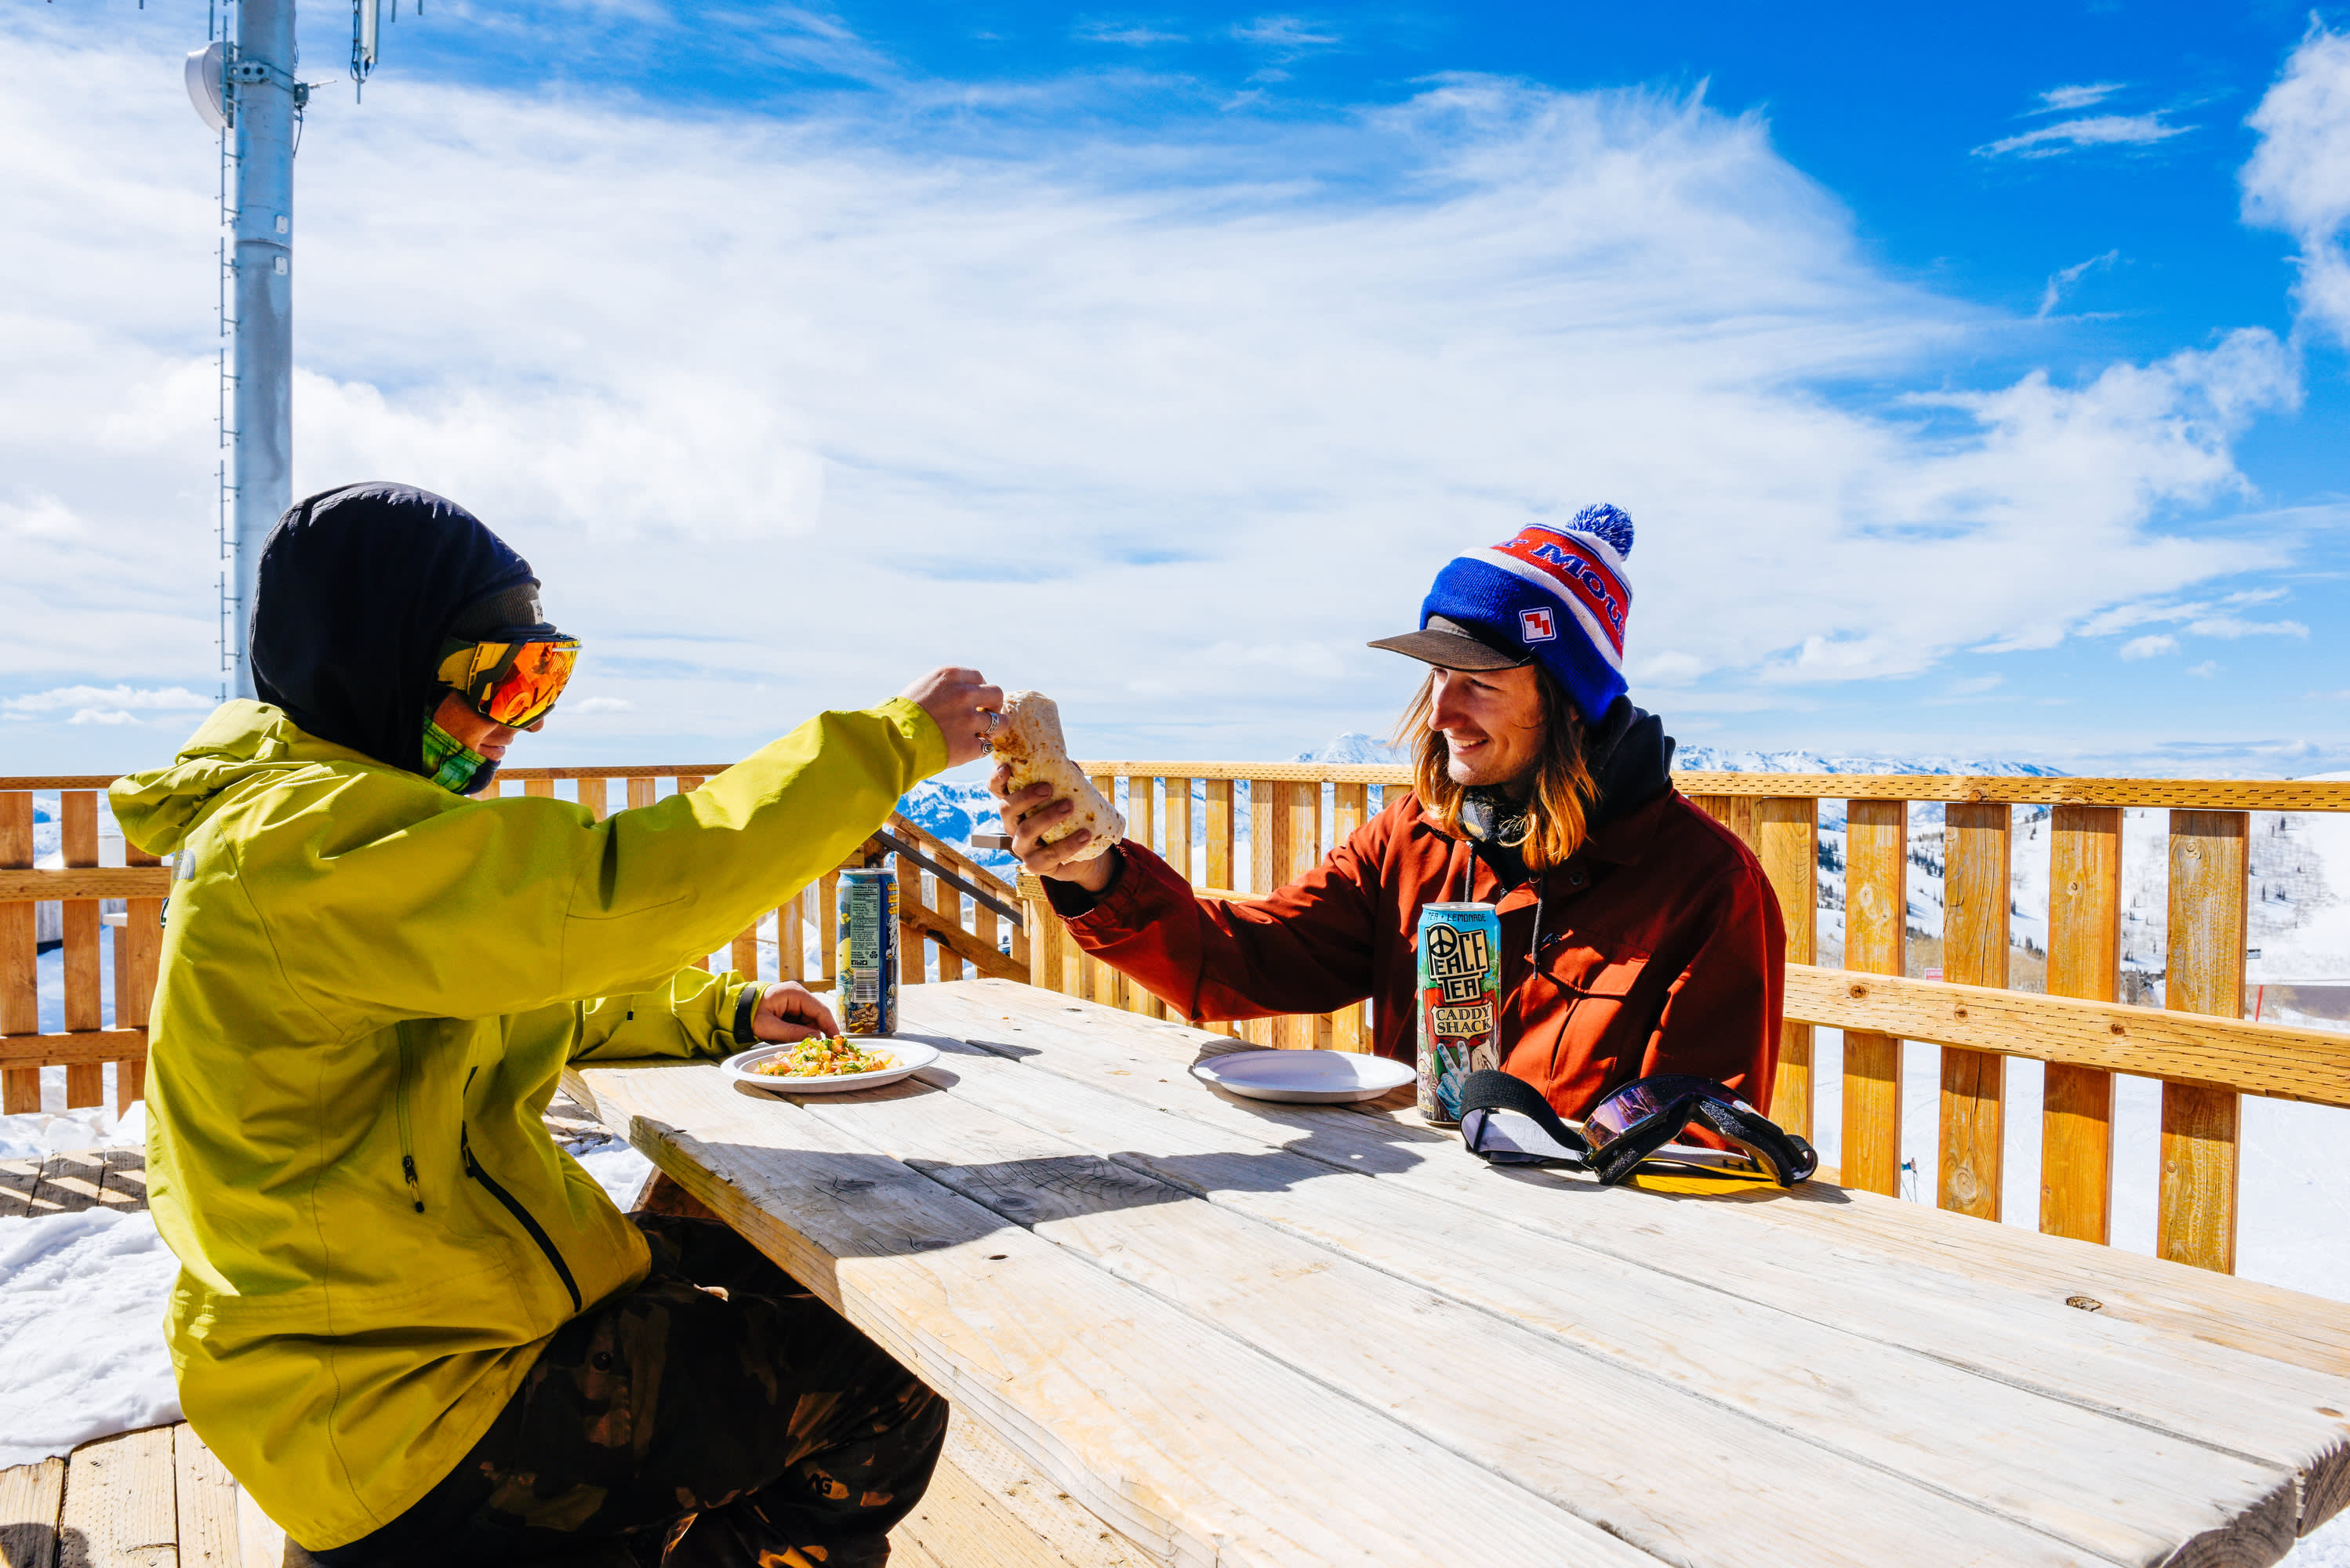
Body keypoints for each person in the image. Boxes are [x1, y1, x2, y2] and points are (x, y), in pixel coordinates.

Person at [110, 482, 1004, 1566]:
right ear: (375, 662)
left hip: (396, 1328)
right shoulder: (309, 849)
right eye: (495, 679)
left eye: (540, 681)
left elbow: (532, 976)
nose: (513, 722)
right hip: (412, 1404)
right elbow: (614, 897)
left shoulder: (331, 828)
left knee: (761, 1253)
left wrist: (718, 1011)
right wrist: (891, 744)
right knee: (883, 1383)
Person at [993, 504, 1785, 1123]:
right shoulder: (1416, 836)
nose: (1443, 709)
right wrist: (1094, 870)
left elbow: (1697, 1140)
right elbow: (1247, 961)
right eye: (1437, 673)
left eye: (1480, 680)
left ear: (1569, 700)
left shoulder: (1706, 886)